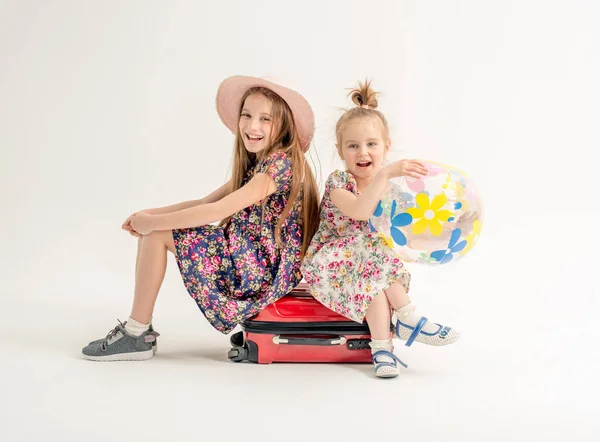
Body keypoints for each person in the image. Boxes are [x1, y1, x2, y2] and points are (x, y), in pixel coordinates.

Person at [82, 76, 320, 361]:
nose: (252, 126)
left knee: (157, 235)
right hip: (248, 254)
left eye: (265, 119)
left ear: (283, 126)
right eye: (247, 115)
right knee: (154, 231)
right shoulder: (260, 164)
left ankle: (137, 333)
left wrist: (154, 225)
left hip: (258, 268)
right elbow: (206, 202)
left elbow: (216, 213)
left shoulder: (280, 164)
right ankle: (138, 329)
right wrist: (148, 216)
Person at [301, 80, 459, 378]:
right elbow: (360, 213)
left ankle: (382, 349)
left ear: (385, 147)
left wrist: (443, 232)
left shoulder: (391, 192)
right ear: (341, 151)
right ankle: (410, 317)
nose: (363, 152)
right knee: (373, 252)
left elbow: (405, 234)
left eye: (372, 144)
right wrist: (385, 173)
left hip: (367, 268)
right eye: (353, 145)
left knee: (375, 283)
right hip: (331, 262)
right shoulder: (339, 183)